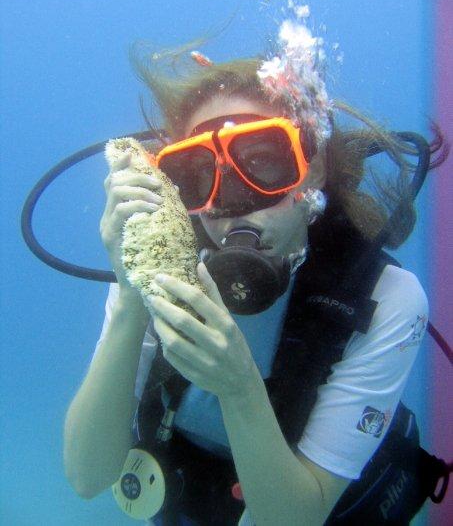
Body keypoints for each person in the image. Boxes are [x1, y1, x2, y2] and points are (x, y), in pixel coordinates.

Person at [63, 52, 445, 525]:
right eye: (200, 175)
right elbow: (87, 475)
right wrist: (129, 299)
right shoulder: (161, 267)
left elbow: (296, 518)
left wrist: (239, 387)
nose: (234, 202)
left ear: (316, 167)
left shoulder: (383, 300)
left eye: (264, 162)